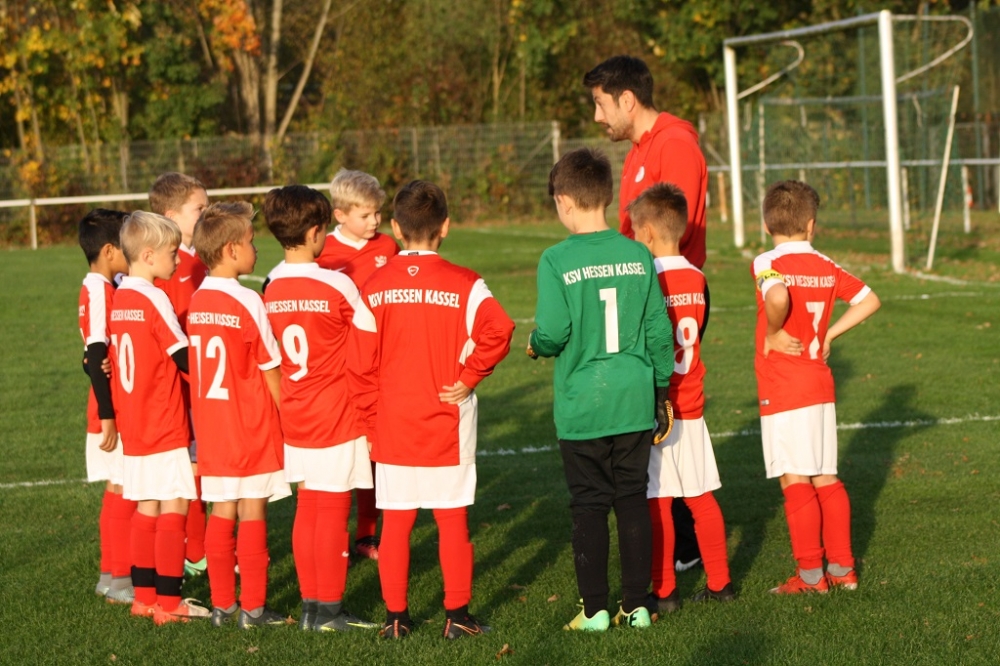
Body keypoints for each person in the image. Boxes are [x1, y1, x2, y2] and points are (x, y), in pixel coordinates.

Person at [351, 179, 514, 639]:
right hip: (448, 422)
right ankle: (457, 616)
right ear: (445, 226)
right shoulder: (466, 283)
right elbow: (500, 329)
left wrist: (370, 424)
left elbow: (358, 365)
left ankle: (396, 619)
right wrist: (469, 377)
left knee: (396, 524)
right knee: (451, 520)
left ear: (396, 227)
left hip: (393, 424)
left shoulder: (374, 285)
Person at [527, 148, 675, 631]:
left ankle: (594, 611)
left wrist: (535, 344)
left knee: (589, 504)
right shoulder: (637, 254)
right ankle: (637, 606)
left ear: (564, 201)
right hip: (633, 397)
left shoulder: (556, 259)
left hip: (584, 402)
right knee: (632, 498)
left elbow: (553, 332)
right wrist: (660, 391)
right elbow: (659, 331)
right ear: (608, 197)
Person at [584, 54, 709, 568]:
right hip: (642, 295)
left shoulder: (674, 144)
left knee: (670, 417)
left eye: (600, 104)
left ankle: (686, 545)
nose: (597, 116)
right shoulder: (640, 150)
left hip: (669, 299)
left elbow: (673, 232)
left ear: (628, 100)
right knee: (650, 420)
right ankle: (672, 540)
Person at [752, 180, 880, 594]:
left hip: (784, 386)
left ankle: (810, 576)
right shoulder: (826, 264)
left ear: (767, 224)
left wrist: (773, 333)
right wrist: (830, 334)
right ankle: (843, 570)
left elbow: (777, 298)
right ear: (811, 224)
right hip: (820, 384)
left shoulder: (767, 261)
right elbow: (869, 299)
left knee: (795, 479)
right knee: (826, 475)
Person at [262, 185, 378, 632]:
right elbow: (368, 342)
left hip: (294, 409)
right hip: (337, 411)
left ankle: (312, 606)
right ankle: (328, 610)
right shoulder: (337, 283)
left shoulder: (270, 284)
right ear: (315, 232)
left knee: (308, 505)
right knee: (331, 508)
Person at [629, 183, 734, 615]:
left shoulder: (645, 279)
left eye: (635, 231)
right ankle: (721, 583)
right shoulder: (698, 276)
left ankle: (665, 591)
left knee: (658, 500)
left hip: (658, 406)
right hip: (692, 401)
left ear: (649, 232)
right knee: (700, 496)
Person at [188, 202, 292, 628]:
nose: (256, 248)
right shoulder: (248, 299)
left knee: (221, 511)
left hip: (212, 427)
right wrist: (289, 418)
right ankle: (253, 607)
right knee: (252, 511)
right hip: (249, 423)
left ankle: (221, 605)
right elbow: (270, 367)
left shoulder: (197, 300)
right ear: (231, 250)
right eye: (250, 241)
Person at [109, 211, 207, 625]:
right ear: (148, 256)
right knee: (175, 505)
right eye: (172, 254)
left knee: (146, 506)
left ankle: (144, 598)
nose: (178, 260)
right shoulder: (154, 298)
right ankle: (170, 603)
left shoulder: (121, 299)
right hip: (163, 420)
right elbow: (182, 355)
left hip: (134, 422)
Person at [317, 168, 399, 561]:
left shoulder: (387, 246)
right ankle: (331, 535)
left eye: (377, 213)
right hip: (336, 367)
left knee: (374, 451)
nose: (374, 221)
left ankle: (367, 534)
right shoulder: (323, 252)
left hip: (381, 362)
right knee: (339, 454)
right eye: (365, 215)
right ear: (340, 215)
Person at [149, 172, 211, 578]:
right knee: (193, 467)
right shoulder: (172, 268)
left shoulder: (197, 259)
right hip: (184, 383)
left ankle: (196, 549)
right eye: (199, 208)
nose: (207, 213)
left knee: (199, 465)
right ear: (171, 216)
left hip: (201, 378)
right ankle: (196, 552)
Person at [77, 208, 136, 604]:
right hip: (111, 407)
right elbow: (95, 350)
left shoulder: (99, 286)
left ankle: (110, 576)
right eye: (126, 248)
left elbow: (92, 356)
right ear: (110, 251)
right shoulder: (100, 290)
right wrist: (108, 415)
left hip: (107, 403)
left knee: (117, 490)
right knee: (125, 490)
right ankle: (120, 580)